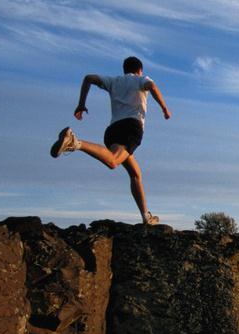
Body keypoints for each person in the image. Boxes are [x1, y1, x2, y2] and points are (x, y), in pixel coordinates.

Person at [50, 56, 171, 225]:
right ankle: (75, 142)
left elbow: (88, 78)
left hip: (113, 130)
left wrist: (81, 104)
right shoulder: (141, 79)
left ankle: (146, 217)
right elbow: (152, 86)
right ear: (140, 70)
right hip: (131, 127)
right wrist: (165, 109)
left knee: (135, 174)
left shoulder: (114, 81)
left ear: (124, 69)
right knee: (113, 161)